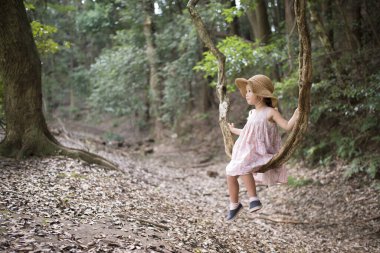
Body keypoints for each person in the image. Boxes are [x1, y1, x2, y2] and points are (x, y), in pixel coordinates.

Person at [226, 74, 299, 221]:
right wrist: (234, 131)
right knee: (230, 172)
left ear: (260, 95)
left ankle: (254, 198)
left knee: (243, 166)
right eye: (246, 92)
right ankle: (234, 204)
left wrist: (297, 114)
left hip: (261, 152)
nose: (246, 95)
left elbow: (287, 126)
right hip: (246, 150)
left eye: (249, 91)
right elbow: (248, 133)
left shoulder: (270, 112)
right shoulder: (252, 113)